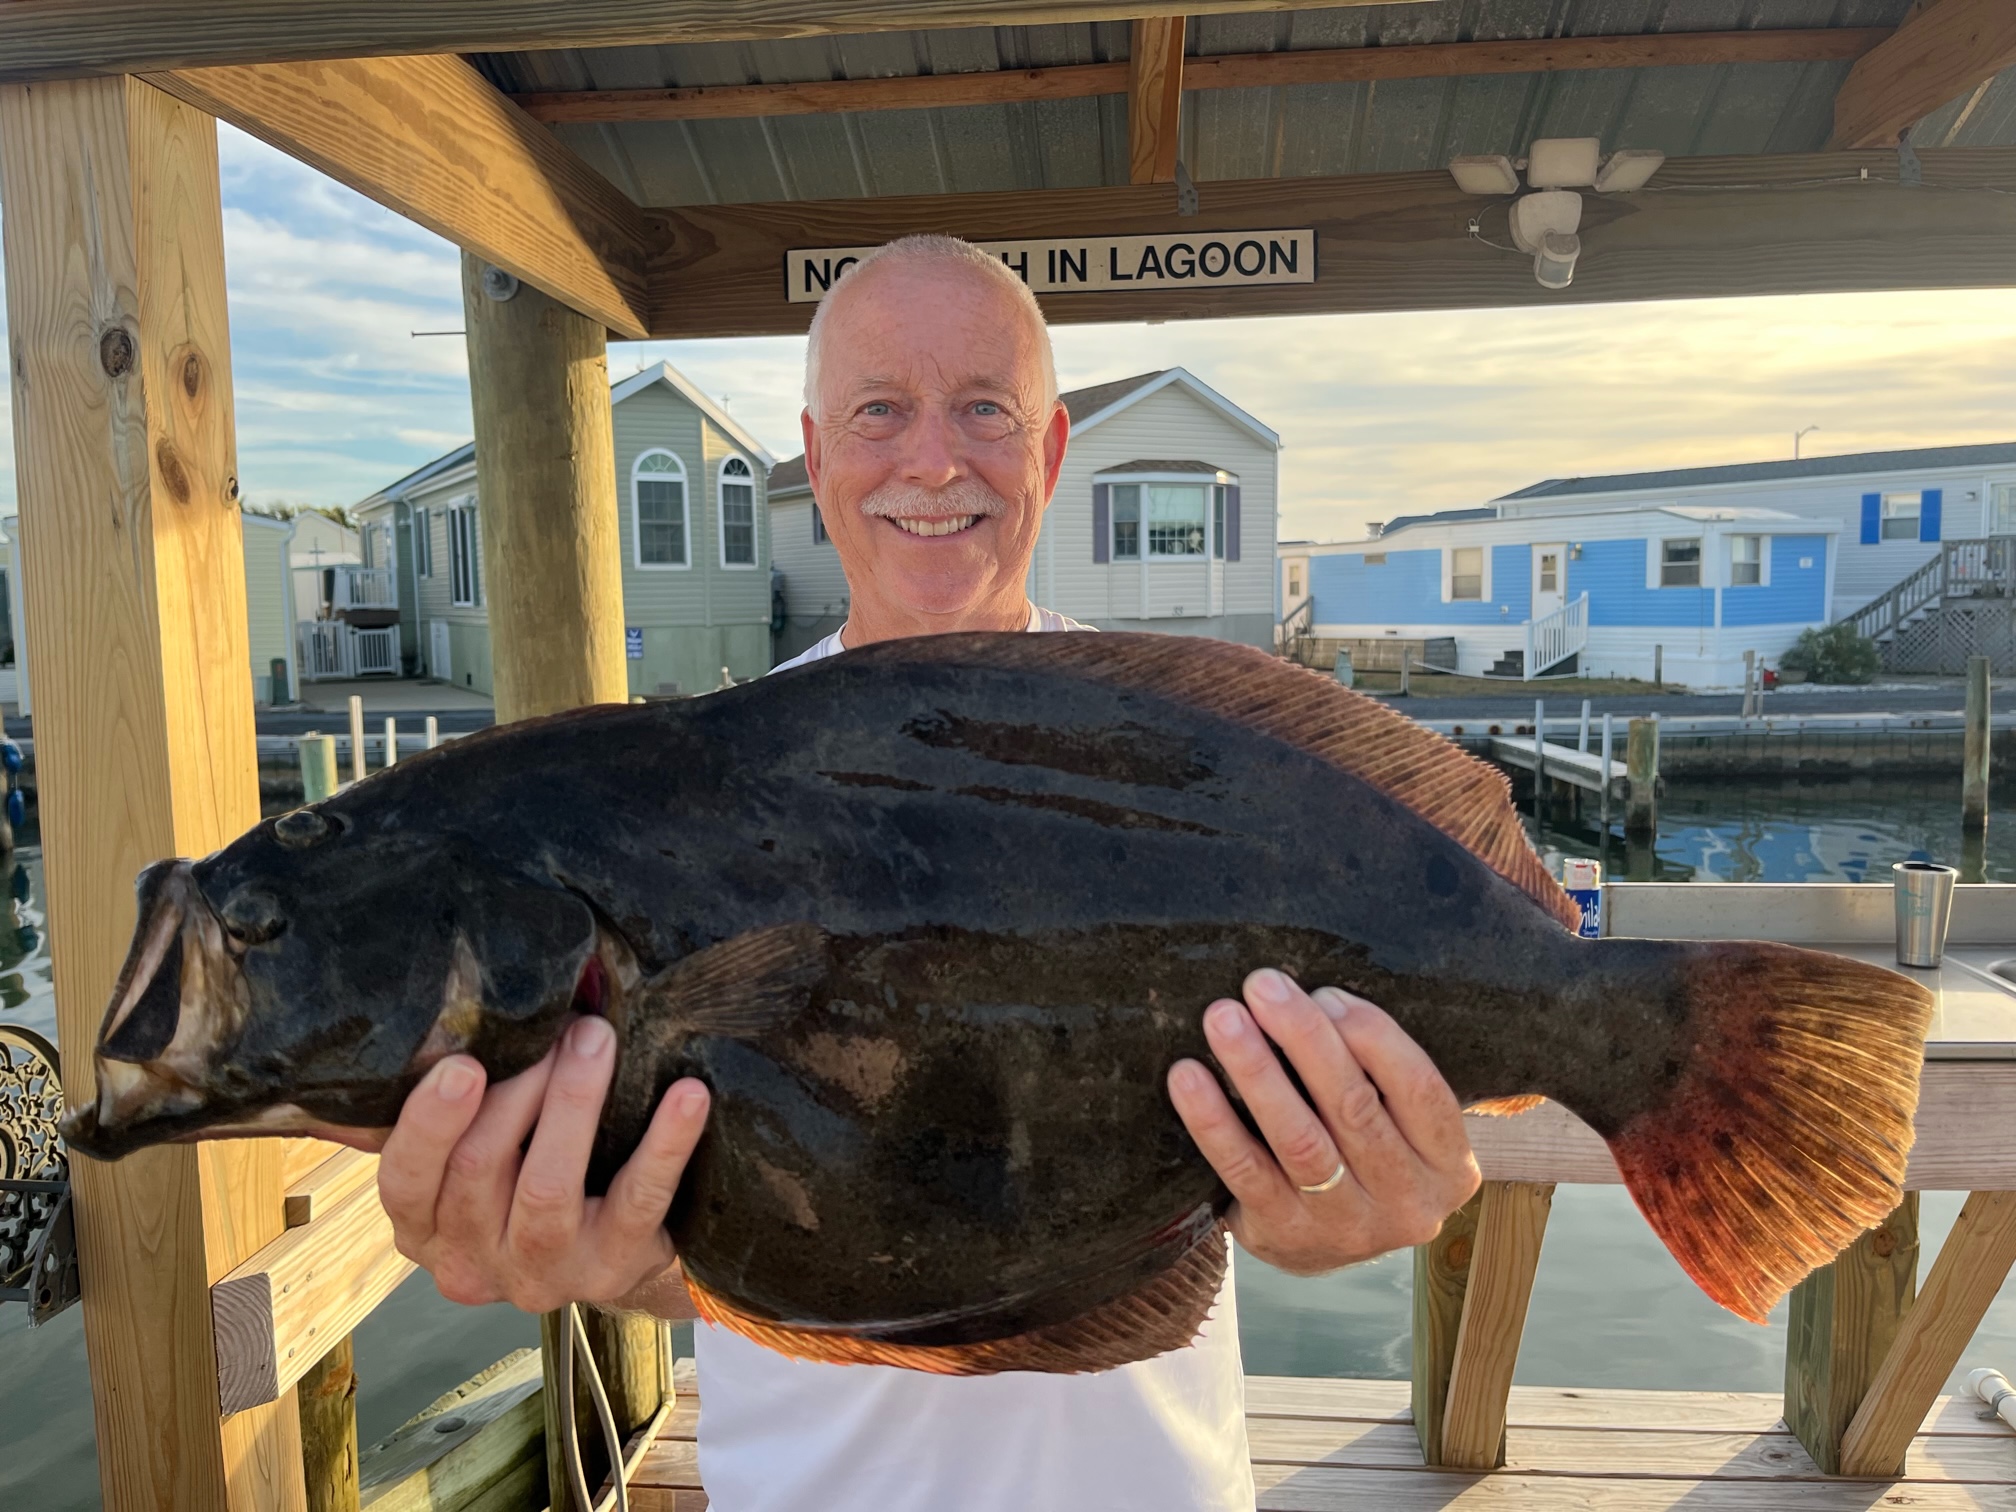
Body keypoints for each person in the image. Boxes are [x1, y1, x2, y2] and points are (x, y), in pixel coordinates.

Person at [376, 236, 1482, 1512]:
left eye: (984, 411)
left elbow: (1336, 1102)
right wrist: (591, 1250)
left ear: (1052, 452)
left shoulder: (1184, 751)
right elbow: (689, 1241)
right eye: (880, 412)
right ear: (819, 451)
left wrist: (1354, 1186)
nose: (933, 460)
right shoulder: (688, 798)